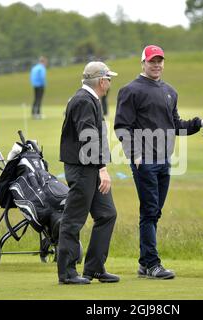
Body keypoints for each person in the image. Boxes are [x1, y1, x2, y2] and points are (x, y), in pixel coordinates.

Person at [114, 45, 203, 279]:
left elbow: (176, 125)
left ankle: (144, 263)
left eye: (160, 61)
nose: (157, 65)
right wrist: (135, 155)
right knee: (149, 211)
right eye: (152, 61)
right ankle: (152, 264)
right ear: (143, 63)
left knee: (155, 212)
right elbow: (122, 126)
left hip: (164, 160)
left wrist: (200, 122)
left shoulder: (170, 91)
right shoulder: (131, 90)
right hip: (144, 162)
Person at [58, 61, 119, 285]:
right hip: (84, 168)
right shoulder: (84, 101)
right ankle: (67, 272)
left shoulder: (90, 99)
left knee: (107, 214)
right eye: (109, 79)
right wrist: (102, 168)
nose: (110, 83)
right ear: (101, 81)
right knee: (73, 220)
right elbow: (88, 136)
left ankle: (94, 268)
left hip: (90, 167)